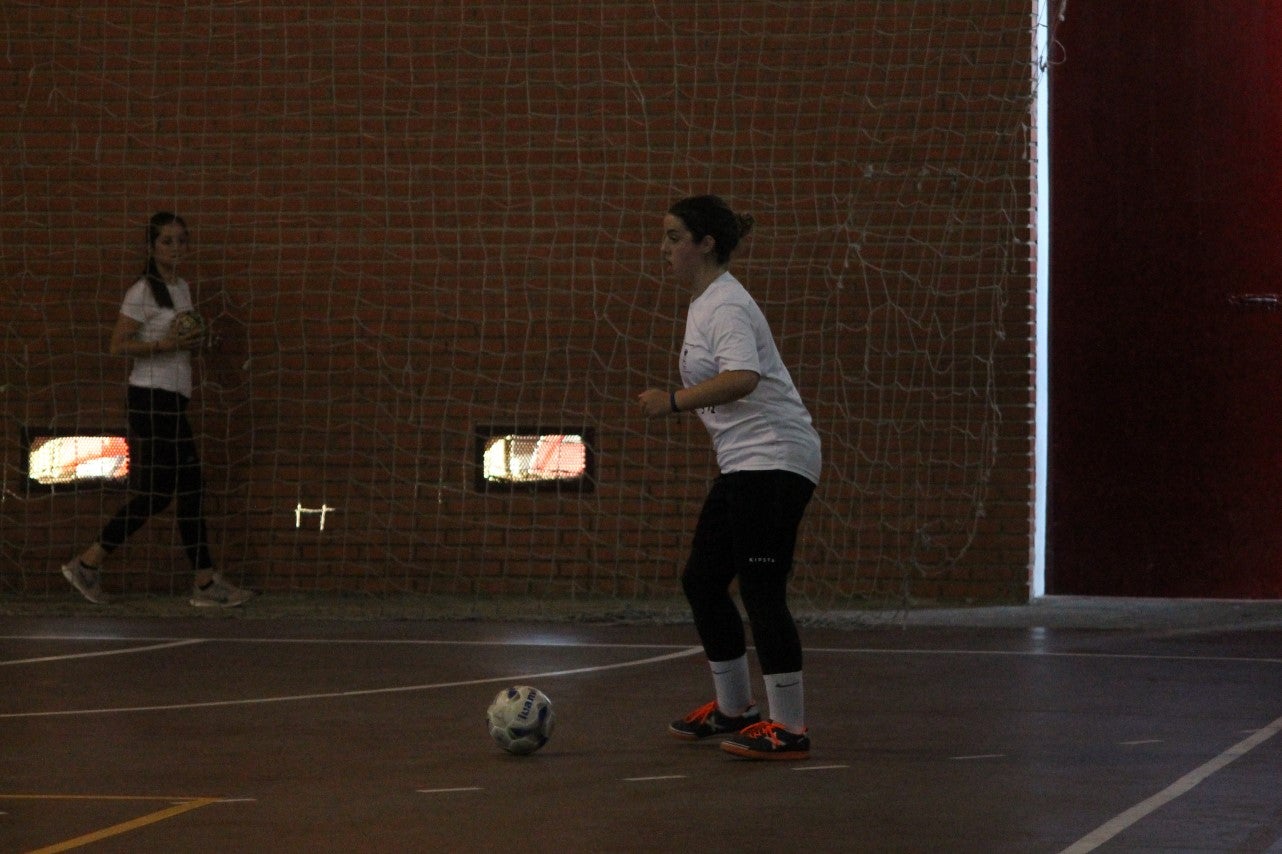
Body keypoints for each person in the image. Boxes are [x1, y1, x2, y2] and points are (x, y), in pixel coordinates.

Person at [638, 195, 821, 760]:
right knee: (702, 580)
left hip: (774, 459)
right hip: (744, 463)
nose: (663, 248)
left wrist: (672, 401)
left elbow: (743, 377)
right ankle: (733, 708)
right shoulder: (704, 304)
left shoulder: (727, 306)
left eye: (673, 237)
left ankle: (788, 727)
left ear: (705, 243)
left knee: (761, 588)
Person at [60, 212, 254, 608]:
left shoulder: (180, 288)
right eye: (167, 241)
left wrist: (198, 340)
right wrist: (162, 347)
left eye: (182, 240)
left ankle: (89, 562)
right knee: (187, 487)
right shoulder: (142, 291)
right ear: (151, 247)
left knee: (163, 491)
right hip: (150, 399)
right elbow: (118, 345)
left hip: (172, 398)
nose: (176, 248)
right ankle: (203, 585)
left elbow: (178, 336)